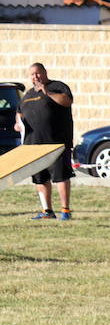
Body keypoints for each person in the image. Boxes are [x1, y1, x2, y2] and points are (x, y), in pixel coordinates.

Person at [14, 63, 75, 220]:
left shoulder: (57, 86)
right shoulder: (27, 95)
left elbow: (67, 101)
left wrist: (47, 92)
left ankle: (65, 210)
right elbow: (19, 112)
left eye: (38, 73)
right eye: (32, 74)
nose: (35, 77)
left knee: (61, 176)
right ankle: (47, 211)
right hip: (33, 145)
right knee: (40, 178)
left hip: (56, 143)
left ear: (44, 72)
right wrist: (17, 124)